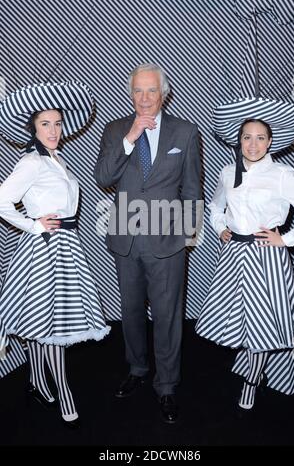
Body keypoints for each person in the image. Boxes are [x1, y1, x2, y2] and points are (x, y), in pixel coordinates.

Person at [94, 63, 201, 423]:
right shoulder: (114, 130)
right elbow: (103, 177)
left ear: (164, 93)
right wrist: (130, 137)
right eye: (138, 91)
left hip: (167, 241)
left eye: (151, 90)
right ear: (130, 93)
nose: (144, 98)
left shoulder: (185, 133)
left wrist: (185, 237)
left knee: (168, 316)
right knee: (131, 312)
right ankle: (137, 368)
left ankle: (167, 385)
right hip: (126, 236)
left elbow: (192, 189)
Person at [0, 81, 110, 428]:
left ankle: (36, 381)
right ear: (33, 127)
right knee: (51, 323)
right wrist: (33, 226)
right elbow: (2, 200)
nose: (54, 130)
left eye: (58, 123)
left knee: (42, 319)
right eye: (45, 124)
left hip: (65, 246)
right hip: (45, 249)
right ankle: (62, 390)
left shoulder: (55, 160)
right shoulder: (31, 162)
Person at [196, 114, 294, 410]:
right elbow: (216, 206)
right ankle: (251, 369)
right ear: (239, 140)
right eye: (247, 137)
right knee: (241, 320)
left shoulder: (282, 174)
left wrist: (287, 239)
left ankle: (252, 380)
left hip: (266, 257)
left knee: (262, 322)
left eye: (259, 138)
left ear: (270, 142)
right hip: (233, 258)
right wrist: (220, 228)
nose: (252, 144)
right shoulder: (228, 172)